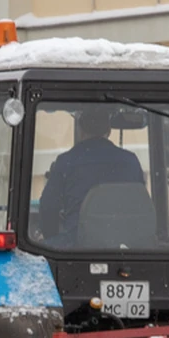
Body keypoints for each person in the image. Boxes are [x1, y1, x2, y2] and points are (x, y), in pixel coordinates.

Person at [38, 104, 146, 247]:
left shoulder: (66, 162)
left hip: (77, 246)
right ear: (108, 130)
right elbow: (141, 205)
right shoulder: (130, 161)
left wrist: (51, 239)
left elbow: (48, 208)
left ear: (81, 130)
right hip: (125, 245)